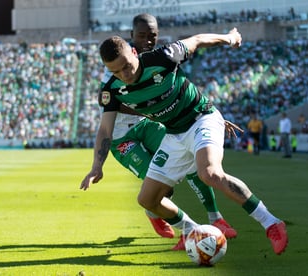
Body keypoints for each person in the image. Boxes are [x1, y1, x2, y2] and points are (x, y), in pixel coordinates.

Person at [82, 27, 288, 255]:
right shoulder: (112, 88)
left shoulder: (163, 57)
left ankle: (271, 223)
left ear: (133, 51)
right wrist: (96, 166)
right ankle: (192, 230)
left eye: (126, 66)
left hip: (201, 118)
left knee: (209, 173)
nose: (125, 75)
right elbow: (105, 129)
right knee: (147, 199)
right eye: (116, 71)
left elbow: (198, 40)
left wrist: (229, 38)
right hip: (173, 134)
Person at [95, 13, 237, 248]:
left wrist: (210, 114)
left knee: (194, 161)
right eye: (142, 35)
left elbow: (182, 90)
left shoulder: (157, 59)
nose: (148, 40)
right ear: (132, 37)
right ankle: (162, 217)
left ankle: (216, 219)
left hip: (148, 125)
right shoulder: (117, 64)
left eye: (153, 36)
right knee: (160, 185)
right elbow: (116, 105)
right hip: (122, 137)